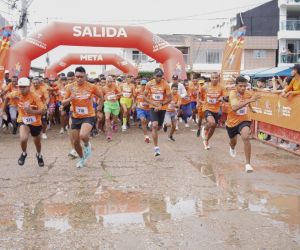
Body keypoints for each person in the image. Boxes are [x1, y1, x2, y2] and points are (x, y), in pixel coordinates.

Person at [62, 66, 103, 168]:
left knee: (83, 135)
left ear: (85, 76)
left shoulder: (91, 86)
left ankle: (87, 144)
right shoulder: (70, 87)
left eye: (81, 76)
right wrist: (69, 99)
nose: (79, 78)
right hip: (76, 116)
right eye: (77, 76)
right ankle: (81, 158)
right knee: (75, 142)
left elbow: (101, 96)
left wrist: (100, 107)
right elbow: (63, 102)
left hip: (89, 115)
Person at [5, 77, 46, 167]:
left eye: (24, 87)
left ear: (29, 86)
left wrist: (32, 112)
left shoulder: (35, 96)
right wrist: (3, 110)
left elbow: (43, 111)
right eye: (20, 87)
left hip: (36, 122)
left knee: (37, 142)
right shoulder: (16, 93)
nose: (22, 89)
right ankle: (24, 153)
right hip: (23, 120)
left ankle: (39, 155)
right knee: (23, 138)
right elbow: (7, 97)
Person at [226, 76, 261, 173]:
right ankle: (232, 147)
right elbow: (234, 107)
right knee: (233, 142)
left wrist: (251, 108)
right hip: (232, 122)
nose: (243, 88)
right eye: (240, 86)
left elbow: (250, 98)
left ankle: (248, 164)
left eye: (244, 86)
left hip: (244, 120)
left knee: (245, 136)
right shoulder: (232, 93)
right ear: (236, 86)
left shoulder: (247, 93)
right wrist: (249, 101)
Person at [143, 68, 172, 156]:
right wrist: (152, 103)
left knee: (158, 127)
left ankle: (152, 124)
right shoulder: (149, 84)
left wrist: (161, 104)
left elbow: (170, 98)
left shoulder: (166, 84)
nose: (159, 78)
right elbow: (144, 96)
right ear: (154, 76)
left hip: (162, 107)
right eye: (157, 76)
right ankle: (156, 148)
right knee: (155, 126)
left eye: (160, 76)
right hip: (153, 106)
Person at [201, 72, 225, 150]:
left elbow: (223, 96)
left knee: (214, 126)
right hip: (207, 108)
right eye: (213, 78)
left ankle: (206, 140)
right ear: (210, 78)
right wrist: (199, 102)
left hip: (216, 109)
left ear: (218, 78)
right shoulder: (205, 86)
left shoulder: (221, 87)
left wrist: (222, 98)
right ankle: (205, 128)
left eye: (216, 78)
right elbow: (199, 93)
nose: (214, 79)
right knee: (212, 122)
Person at [102, 76, 121, 141]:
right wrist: (105, 98)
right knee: (107, 118)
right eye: (108, 81)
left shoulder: (115, 86)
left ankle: (114, 124)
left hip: (115, 104)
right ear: (106, 82)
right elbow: (101, 96)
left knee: (115, 118)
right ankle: (109, 134)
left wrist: (115, 96)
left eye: (111, 81)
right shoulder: (103, 88)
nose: (109, 83)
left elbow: (120, 93)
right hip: (107, 104)